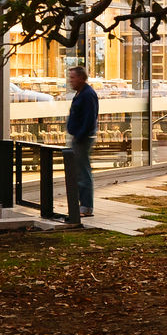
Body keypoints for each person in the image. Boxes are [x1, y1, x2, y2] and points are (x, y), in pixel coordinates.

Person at [64, 64, 97, 221]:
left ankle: (86, 207)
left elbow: (90, 118)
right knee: (78, 171)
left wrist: (80, 135)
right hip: (78, 137)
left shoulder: (88, 95)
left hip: (82, 139)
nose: (70, 81)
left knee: (83, 172)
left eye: (73, 77)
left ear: (82, 78)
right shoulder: (80, 93)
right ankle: (81, 205)